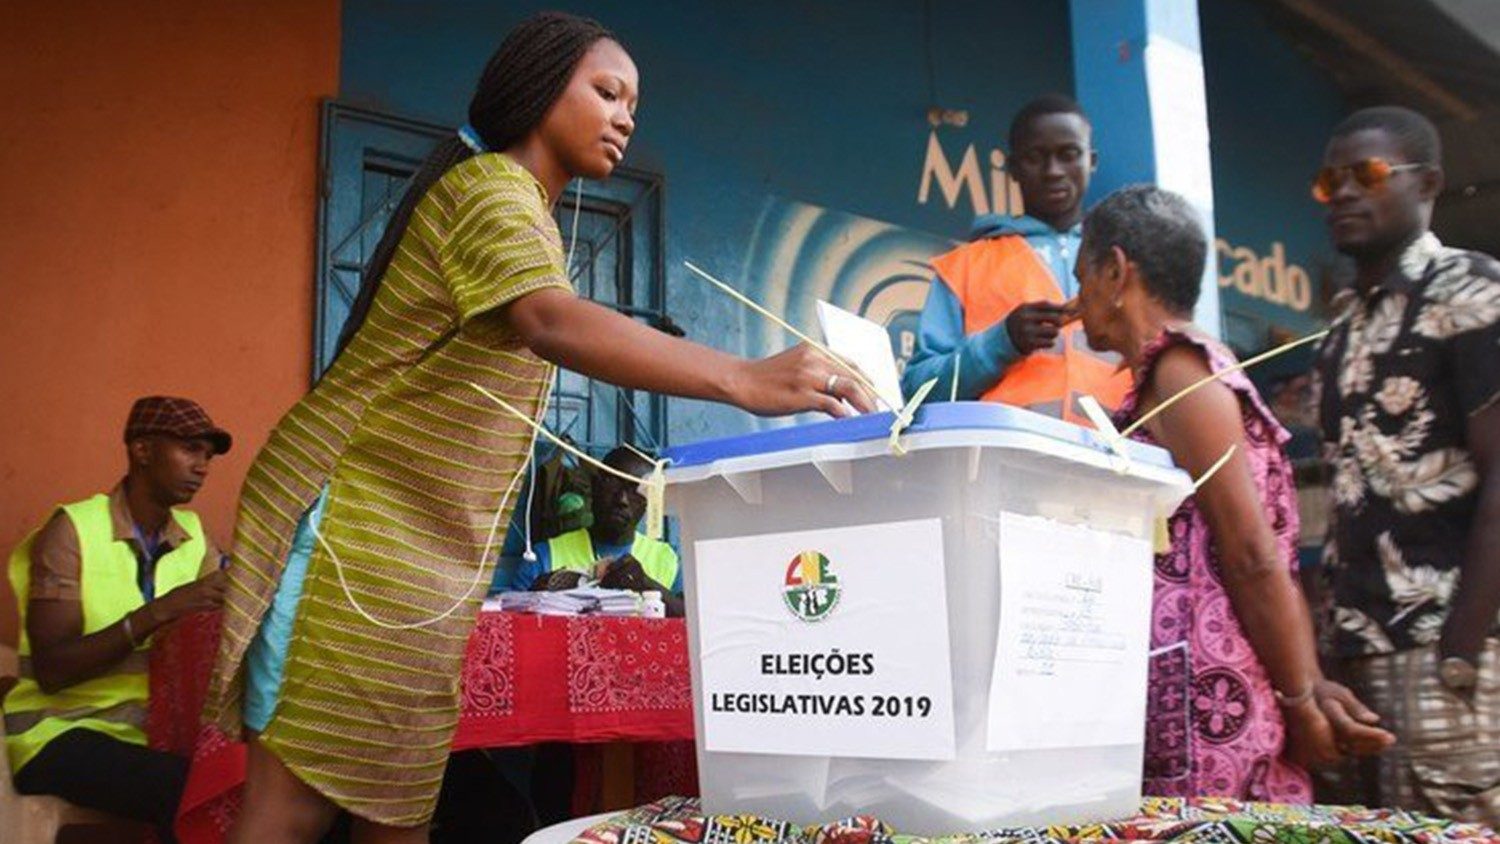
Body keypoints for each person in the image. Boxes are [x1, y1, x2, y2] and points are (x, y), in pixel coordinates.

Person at [206, 13, 873, 844]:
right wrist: (741, 376)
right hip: (355, 534)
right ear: (536, 87)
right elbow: (549, 319)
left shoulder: (520, 210)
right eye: (606, 91)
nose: (627, 116)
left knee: (395, 808)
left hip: (411, 557)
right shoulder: (490, 192)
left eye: (634, 102)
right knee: (295, 807)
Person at [1072, 185, 1393, 801]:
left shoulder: (1181, 375)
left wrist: (1301, 697)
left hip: (1207, 703)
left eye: (1083, 275)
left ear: (1116, 272)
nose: (1077, 296)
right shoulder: (1180, 373)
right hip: (1201, 688)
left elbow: (1251, 552)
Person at [1310, 106, 1500, 824]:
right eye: (1331, 182)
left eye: (1368, 174)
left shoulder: (1470, 291)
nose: (1346, 193)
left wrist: (1461, 648)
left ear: (1428, 185)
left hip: (1449, 650)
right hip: (1357, 662)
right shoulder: (1338, 332)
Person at [3, 396, 231, 840]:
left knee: (257, 784)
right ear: (142, 451)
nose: (202, 465)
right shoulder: (71, 530)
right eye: (188, 449)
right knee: (190, 790)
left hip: (150, 734)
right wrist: (159, 611)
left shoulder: (195, 539)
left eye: (207, 455)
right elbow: (52, 670)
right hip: (59, 731)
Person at [902, 94, 1131, 425]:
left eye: (1068, 155)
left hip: (1120, 467)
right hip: (1003, 467)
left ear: (1091, 161)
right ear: (1012, 168)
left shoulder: (1125, 263)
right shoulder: (967, 265)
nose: (1053, 171)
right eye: (1035, 157)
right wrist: (1001, 342)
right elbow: (915, 393)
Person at [514, 446, 681, 599]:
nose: (622, 499)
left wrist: (646, 584)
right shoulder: (544, 557)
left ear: (650, 501)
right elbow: (507, 620)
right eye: (613, 483)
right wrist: (533, 598)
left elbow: (698, 619)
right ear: (594, 486)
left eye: (636, 490)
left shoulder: (666, 560)